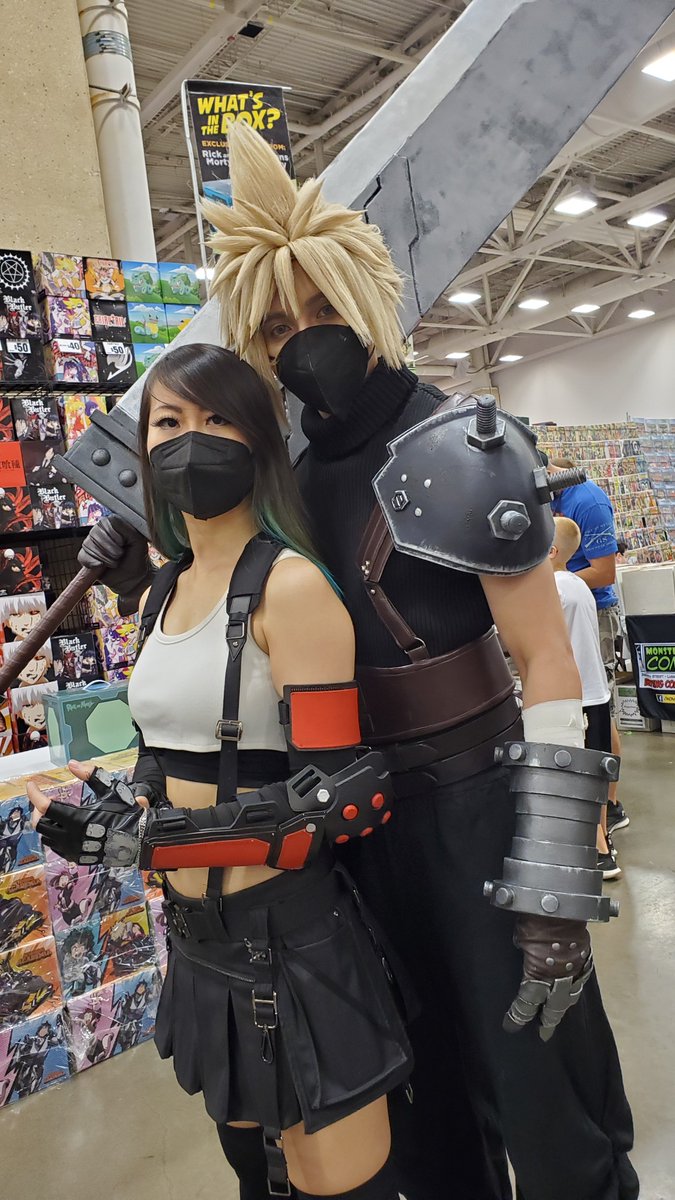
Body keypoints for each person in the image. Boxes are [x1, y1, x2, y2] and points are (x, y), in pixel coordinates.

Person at [73, 124, 636, 1200]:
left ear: (365, 296)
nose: (304, 338)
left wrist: (558, 861)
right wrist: (139, 531)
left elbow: (542, 657)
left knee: (550, 1103)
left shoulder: (458, 442)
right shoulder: (278, 471)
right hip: (351, 832)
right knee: (418, 1113)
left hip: (481, 805)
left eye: (321, 307)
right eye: (276, 323)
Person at [29, 344, 412, 1200]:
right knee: (252, 1176)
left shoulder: (291, 588)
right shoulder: (161, 595)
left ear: (259, 441)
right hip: (200, 946)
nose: (189, 439)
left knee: (340, 1185)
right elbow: (165, 746)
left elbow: (333, 803)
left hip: (293, 944)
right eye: (167, 421)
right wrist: (127, 801)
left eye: (216, 419)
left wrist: (148, 842)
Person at [549, 461, 629, 840]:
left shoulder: (587, 501)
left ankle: (610, 806)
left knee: (600, 712)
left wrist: (554, 580)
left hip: (591, 615)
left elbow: (604, 572)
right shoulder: (547, 500)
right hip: (562, 610)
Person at [549, 517, 620, 879]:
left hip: (572, 694)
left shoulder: (551, 589)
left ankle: (596, 850)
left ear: (551, 551)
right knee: (596, 768)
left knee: (575, 773)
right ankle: (603, 840)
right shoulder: (578, 583)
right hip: (595, 690)